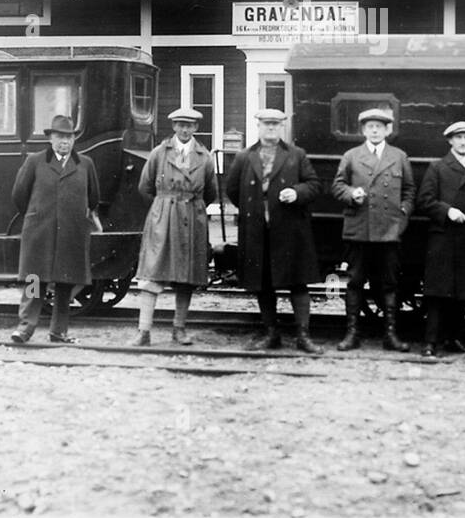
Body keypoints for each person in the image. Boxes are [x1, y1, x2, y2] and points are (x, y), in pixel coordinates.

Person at [224, 108, 324, 354]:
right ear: (258, 126)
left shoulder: (297, 155)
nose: (271, 129)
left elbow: (315, 186)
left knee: (298, 284)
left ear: (282, 128)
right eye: (266, 124)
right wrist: (254, 209)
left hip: (290, 231)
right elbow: (232, 190)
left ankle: (303, 337)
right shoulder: (245, 157)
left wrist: (297, 193)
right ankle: (272, 334)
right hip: (257, 232)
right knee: (263, 284)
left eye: (276, 125)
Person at [9, 114, 99, 345]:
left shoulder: (85, 164)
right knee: (33, 281)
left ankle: (59, 332)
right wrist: (37, 214)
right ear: (50, 139)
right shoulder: (35, 161)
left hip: (72, 233)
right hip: (40, 232)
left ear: (74, 140)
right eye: (59, 136)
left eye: (68, 137)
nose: (64, 141)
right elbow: (19, 195)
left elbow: (94, 198)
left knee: (65, 283)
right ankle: (24, 328)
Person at [132, 107, 219, 346]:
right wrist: (164, 206)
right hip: (163, 218)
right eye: (180, 124)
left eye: (189, 125)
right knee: (152, 273)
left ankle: (179, 329)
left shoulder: (204, 156)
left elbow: (211, 192)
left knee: (186, 277)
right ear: (173, 126)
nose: (184, 129)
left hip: (192, 219)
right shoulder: (159, 153)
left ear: (196, 128)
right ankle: (144, 331)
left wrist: (189, 205)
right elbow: (145, 187)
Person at [332, 107, 416, 352]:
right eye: (370, 127)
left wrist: (403, 215)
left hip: (389, 231)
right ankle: (352, 335)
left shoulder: (399, 156)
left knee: (390, 284)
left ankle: (390, 336)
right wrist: (350, 194)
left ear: (387, 130)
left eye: (380, 126)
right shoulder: (351, 155)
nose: (375, 130)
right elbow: (337, 186)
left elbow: (410, 191)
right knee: (355, 282)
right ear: (364, 130)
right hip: (360, 228)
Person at [416, 121, 465, 358]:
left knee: (464, 293)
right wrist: (447, 211)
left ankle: (452, 338)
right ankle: (430, 341)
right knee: (438, 293)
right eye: (458, 138)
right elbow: (424, 201)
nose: (463, 142)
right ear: (450, 141)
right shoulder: (437, 167)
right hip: (444, 238)